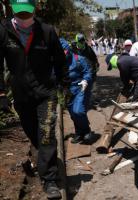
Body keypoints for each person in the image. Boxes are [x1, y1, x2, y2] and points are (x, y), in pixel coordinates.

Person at [0, 1, 68, 198]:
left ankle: (50, 180)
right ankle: (46, 159)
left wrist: (64, 84)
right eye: (19, 13)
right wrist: (1, 93)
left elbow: (60, 60)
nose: (23, 17)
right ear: (12, 9)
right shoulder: (3, 31)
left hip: (45, 92)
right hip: (21, 94)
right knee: (33, 133)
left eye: (26, 13)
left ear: (34, 9)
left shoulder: (46, 31)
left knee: (46, 133)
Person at [60, 38, 93, 144]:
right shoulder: (58, 62)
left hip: (80, 88)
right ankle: (79, 133)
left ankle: (87, 131)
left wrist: (85, 80)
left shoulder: (79, 59)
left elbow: (88, 72)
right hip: (68, 90)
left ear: (68, 49)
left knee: (78, 110)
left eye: (65, 52)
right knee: (73, 114)